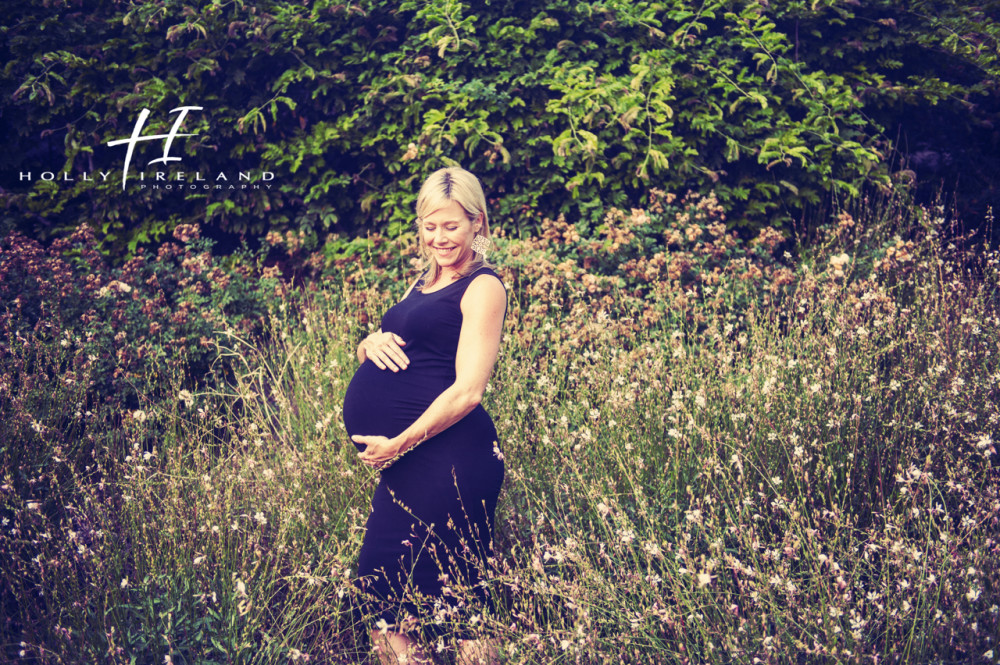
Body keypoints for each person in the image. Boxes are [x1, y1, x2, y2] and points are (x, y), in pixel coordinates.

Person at [341, 167, 507, 665]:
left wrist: (400, 443)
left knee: (461, 597)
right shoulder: (426, 280)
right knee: (377, 592)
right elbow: (409, 351)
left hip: (451, 458)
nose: (439, 237)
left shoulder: (482, 287)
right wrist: (367, 344)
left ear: (476, 223)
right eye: (430, 226)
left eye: (451, 226)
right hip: (412, 461)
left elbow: (469, 391)